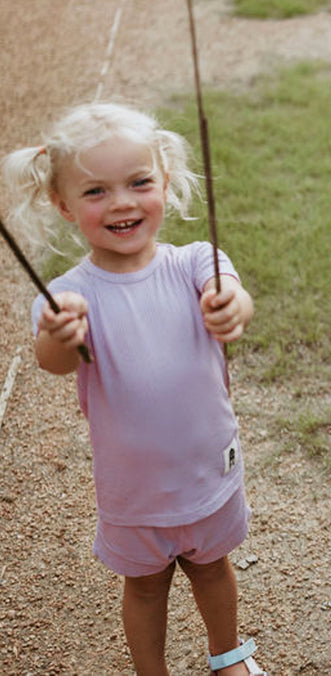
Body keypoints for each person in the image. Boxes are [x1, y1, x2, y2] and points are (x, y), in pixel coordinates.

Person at [2, 102, 266, 676]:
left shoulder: (197, 263)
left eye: (139, 182)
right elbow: (52, 362)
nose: (121, 202)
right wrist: (58, 332)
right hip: (134, 493)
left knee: (213, 568)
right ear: (62, 204)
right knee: (145, 589)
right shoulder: (68, 295)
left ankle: (229, 657)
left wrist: (231, 309)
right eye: (96, 191)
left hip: (209, 472)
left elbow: (234, 300)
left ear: (165, 183)